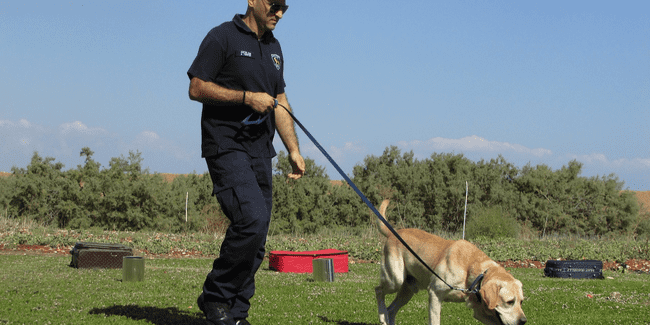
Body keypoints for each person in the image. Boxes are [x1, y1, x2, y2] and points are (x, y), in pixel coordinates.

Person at [187, 1, 304, 324]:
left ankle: (236, 314)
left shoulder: (275, 47)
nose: (279, 12)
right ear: (253, 0)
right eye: (274, 4)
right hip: (225, 145)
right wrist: (245, 97)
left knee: (258, 237)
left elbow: (280, 102)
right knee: (250, 219)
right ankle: (215, 296)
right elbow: (196, 88)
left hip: (260, 151)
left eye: (285, 7)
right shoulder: (222, 37)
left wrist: (293, 149)